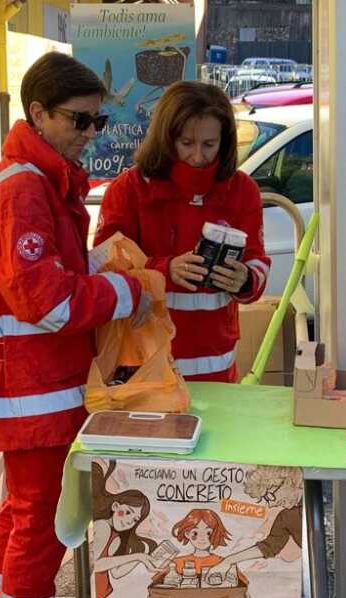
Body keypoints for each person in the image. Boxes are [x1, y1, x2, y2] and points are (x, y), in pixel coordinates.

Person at [0, 52, 152, 598]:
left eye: (100, 121)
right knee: (40, 521)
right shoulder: (24, 187)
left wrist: (96, 263)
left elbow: (45, 276)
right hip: (30, 388)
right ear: (38, 114)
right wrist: (124, 292)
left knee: (22, 514)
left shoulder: (43, 179)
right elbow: (45, 301)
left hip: (26, 384)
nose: (91, 134)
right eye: (81, 121)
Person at [94, 81, 271, 382]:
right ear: (166, 138)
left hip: (216, 360)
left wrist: (245, 280)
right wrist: (164, 269)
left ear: (224, 142)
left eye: (209, 144)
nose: (198, 156)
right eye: (186, 143)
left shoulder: (243, 190)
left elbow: (257, 261)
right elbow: (104, 267)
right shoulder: (128, 190)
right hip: (143, 360)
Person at [91, 460, 161, 598]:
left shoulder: (116, 536)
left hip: (105, 596)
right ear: (116, 506)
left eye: (135, 519)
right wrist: (138, 556)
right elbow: (97, 565)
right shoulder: (103, 526)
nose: (130, 521)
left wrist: (141, 558)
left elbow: (116, 573)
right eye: (128, 512)